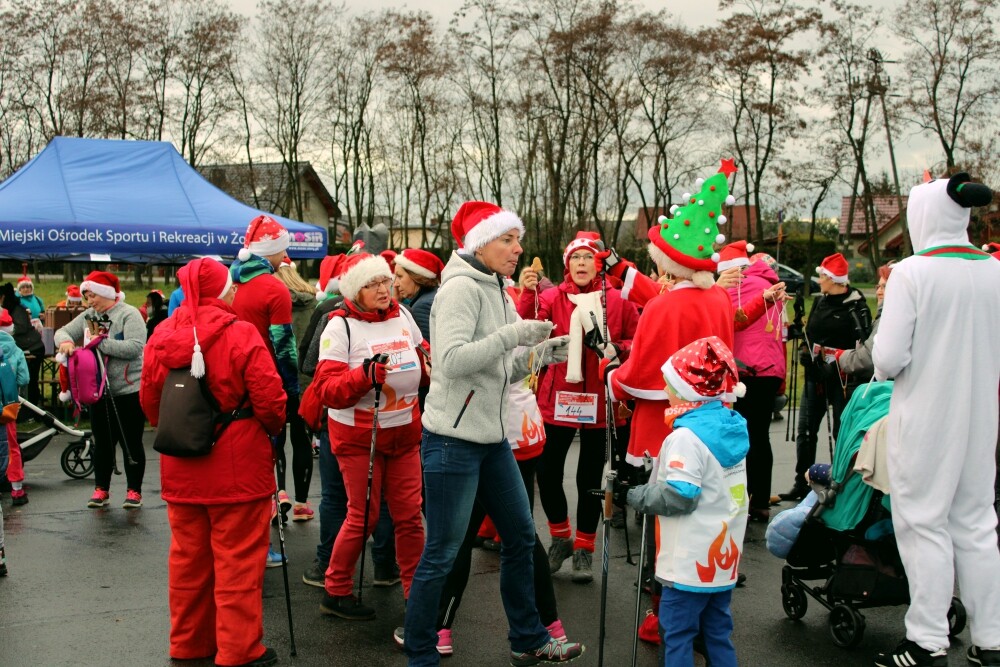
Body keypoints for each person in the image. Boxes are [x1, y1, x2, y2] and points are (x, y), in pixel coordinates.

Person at [403, 200, 582, 666]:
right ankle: (421, 654)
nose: (518, 249)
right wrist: (516, 334)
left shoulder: (498, 288)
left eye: (516, 239)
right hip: (452, 441)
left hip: (491, 439)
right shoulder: (460, 288)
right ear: (481, 242)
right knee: (441, 554)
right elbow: (453, 362)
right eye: (508, 240)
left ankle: (527, 638)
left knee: (522, 539)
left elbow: (498, 368)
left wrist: (541, 354)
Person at [871, 173, 1000, 667]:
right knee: (977, 523)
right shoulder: (992, 269)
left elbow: (888, 358)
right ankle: (990, 639)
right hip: (980, 417)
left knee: (923, 523)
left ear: (922, 216)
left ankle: (926, 638)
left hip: (926, 417)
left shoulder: (911, 273)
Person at [140, 257, 286, 667]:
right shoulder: (241, 333)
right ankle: (239, 650)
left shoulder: (161, 335)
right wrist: (270, 431)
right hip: (237, 466)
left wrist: (183, 430)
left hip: (182, 464)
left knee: (188, 561)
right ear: (224, 289)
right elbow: (271, 401)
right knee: (238, 561)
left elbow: (151, 403)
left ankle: (189, 643)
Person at [517, 231, 639, 582]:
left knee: (590, 477)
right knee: (548, 471)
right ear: (567, 264)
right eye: (576, 258)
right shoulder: (552, 296)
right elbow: (525, 326)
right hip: (557, 400)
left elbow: (635, 336)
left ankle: (585, 548)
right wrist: (527, 292)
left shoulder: (616, 300)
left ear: (598, 263)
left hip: (599, 400)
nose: (582, 263)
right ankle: (560, 538)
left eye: (588, 257)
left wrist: (618, 349)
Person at [308, 253, 426, 620]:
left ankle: (418, 593)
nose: (382, 289)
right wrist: (363, 376)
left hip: (404, 433)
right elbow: (325, 389)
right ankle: (337, 589)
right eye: (372, 283)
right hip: (360, 438)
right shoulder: (339, 326)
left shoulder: (404, 316)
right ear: (355, 290)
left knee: (409, 517)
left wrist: (430, 371)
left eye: (385, 281)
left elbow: (423, 360)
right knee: (364, 516)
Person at [421, 377, 574, 657]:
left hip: (489, 431)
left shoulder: (491, 333)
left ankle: (438, 629)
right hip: (513, 426)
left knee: (467, 536)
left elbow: (468, 368)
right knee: (521, 535)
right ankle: (549, 625)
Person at [627, 336, 749, 667]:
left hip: (689, 560)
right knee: (716, 633)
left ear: (684, 390)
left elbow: (681, 494)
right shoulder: (730, 427)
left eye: (669, 384)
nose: (665, 390)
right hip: (722, 560)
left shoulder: (685, 436)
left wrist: (640, 496)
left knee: (677, 634)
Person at [778, 252, 871, 501]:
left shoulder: (856, 305)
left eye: (822, 276)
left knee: (841, 431)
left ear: (835, 279)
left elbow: (865, 346)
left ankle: (842, 482)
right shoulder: (820, 302)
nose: (819, 281)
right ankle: (802, 482)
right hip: (814, 377)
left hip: (843, 380)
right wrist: (805, 353)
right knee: (806, 430)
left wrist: (839, 361)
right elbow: (811, 335)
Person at [55, 271, 147, 509]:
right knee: (103, 444)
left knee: (131, 443)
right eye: (86, 295)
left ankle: (134, 491)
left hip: (128, 391)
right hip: (99, 392)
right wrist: (65, 341)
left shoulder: (129, 314)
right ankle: (101, 489)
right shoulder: (90, 315)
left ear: (106, 293)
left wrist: (101, 342)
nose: (89, 300)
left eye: (92, 295)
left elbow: (136, 347)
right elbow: (62, 332)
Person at [230, 215, 299, 518]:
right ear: (270, 250)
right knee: (266, 452)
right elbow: (283, 345)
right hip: (264, 378)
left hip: (228, 378)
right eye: (281, 249)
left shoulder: (229, 282)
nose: (285, 256)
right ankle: (264, 512)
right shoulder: (274, 288)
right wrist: (291, 387)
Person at [720, 244, 790, 523]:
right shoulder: (770, 285)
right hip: (771, 369)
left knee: (742, 437)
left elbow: (725, 315)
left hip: (747, 369)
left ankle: (742, 498)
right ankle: (760, 500)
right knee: (761, 436)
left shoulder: (739, 285)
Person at [273, 259, 317, 521]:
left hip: (277, 379)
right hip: (305, 381)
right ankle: (301, 504)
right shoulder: (313, 301)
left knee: (276, 441)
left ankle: (280, 494)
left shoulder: (271, 299)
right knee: (302, 440)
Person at [1, 308, 29, 505]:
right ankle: (17, 490)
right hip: (7, 409)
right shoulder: (16, 350)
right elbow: (24, 378)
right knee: (11, 447)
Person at [0, 282, 45, 410]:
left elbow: (21, 327)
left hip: (33, 347)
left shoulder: (16, 309)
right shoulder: (13, 308)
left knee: (31, 380)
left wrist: (8, 332)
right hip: (26, 347)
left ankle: (33, 409)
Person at [393, 248, 444, 341]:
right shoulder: (435, 294)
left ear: (416, 276)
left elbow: (426, 350)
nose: (395, 284)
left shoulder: (421, 307)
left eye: (400, 276)